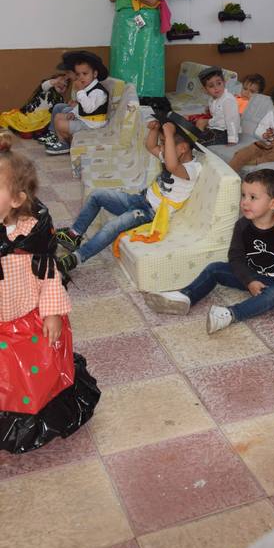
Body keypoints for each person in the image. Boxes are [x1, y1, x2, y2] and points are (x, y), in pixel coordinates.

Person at [0, 133, 100, 453]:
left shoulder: (32, 234)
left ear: (16, 199)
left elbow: (49, 276)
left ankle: (32, 415)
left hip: (28, 317)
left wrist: (53, 312)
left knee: (33, 374)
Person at [143, 169, 274, 333]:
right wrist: (249, 281)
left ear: (273, 203)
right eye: (243, 195)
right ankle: (185, 296)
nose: (244, 202)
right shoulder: (242, 226)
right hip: (248, 273)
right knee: (214, 268)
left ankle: (229, 314)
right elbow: (235, 257)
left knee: (272, 296)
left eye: (252, 197)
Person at [56, 117, 200, 275]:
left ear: (183, 148)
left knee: (111, 227)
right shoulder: (170, 155)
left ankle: (77, 258)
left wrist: (169, 132)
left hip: (149, 213)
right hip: (140, 200)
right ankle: (74, 235)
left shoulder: (192, 169)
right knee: (97, 195)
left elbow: (172, 166)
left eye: (165, 143)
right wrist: (154, 130)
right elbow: (150, 146)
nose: (162, 147)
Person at [45, 52, 110, 156]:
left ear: (95, 74)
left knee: (60, 124)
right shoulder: (87, 88)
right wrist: (74, 113)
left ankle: (65, 144)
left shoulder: (98, 92)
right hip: (85, 119)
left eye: (85, 74)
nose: (81, 77)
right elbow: (80, 106)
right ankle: (64, 143)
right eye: (78, 74)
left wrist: (80, 91)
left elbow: (88, 108)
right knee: (58, 116)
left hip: (92, 125)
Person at [0, 70, 71, 139]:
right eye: (59, 83)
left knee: (30, 135)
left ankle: (35, 132)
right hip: (31, 118)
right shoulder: (46, 91)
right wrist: (56, 81)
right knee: (24, 132)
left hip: (42, 122)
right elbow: (44, 85)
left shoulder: (61, 99)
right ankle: (13, 129)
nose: (62, 85)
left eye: (65, 85)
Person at [195, 67, 240, 146]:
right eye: (211, 86)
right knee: (199, 123)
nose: (216, 88)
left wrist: (232, 139)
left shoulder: (227, 100)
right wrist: (209, 109)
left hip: (224, 132)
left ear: (224, 82)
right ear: (205, 90)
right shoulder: (212, 99)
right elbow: (216, 111)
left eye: (219, 83)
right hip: (215, 127)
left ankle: (199, 141)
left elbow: (232, 120)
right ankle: (199, 136)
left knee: (200, 142)